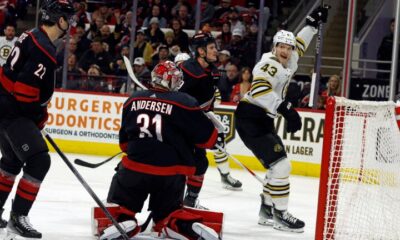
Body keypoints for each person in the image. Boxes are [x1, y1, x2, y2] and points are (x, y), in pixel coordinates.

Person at [98, 61, 223, 240]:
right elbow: (207, 140)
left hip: (134, 170)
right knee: (168, 213)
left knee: (124, 205)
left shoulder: (133, 99)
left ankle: (124, 221)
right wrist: (216, 132)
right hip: (170, 175)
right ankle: (180, 225)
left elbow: (124, 144)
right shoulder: (185, 102)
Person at [234, 6, 329, 233]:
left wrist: (312, 24)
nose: (285, 51)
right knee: (281, 165)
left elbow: (300, 43)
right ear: (274, 48)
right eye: (281, 47)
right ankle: (280, 214)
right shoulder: (269, 64)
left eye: (287, 47)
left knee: (275, 167)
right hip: (250, 118)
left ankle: (267, 211)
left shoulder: (290, 57)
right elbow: (259, 90)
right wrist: (285, 107)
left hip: (263, 119)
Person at [0, 0, 75, 238]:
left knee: (10, 163)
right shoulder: (44, 48)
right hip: (14, 112)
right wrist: (38, 118)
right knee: (39, 160)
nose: (70, 24)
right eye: (69, 19)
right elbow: (24, 91)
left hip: (5, 108)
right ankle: (18, 217)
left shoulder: (31, 34)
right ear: (60, 20)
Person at [179, 32, 243, 209]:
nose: (217, 51)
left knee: (200, 163)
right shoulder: (188, 70)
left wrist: (213, 129)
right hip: (180, 124)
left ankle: (189, 201)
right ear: (200, 51)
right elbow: (175, 98)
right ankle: (170, 200)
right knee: (176, 161)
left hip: (197, 123)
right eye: (212, 48)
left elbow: (208, 105)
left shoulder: (213, 72)